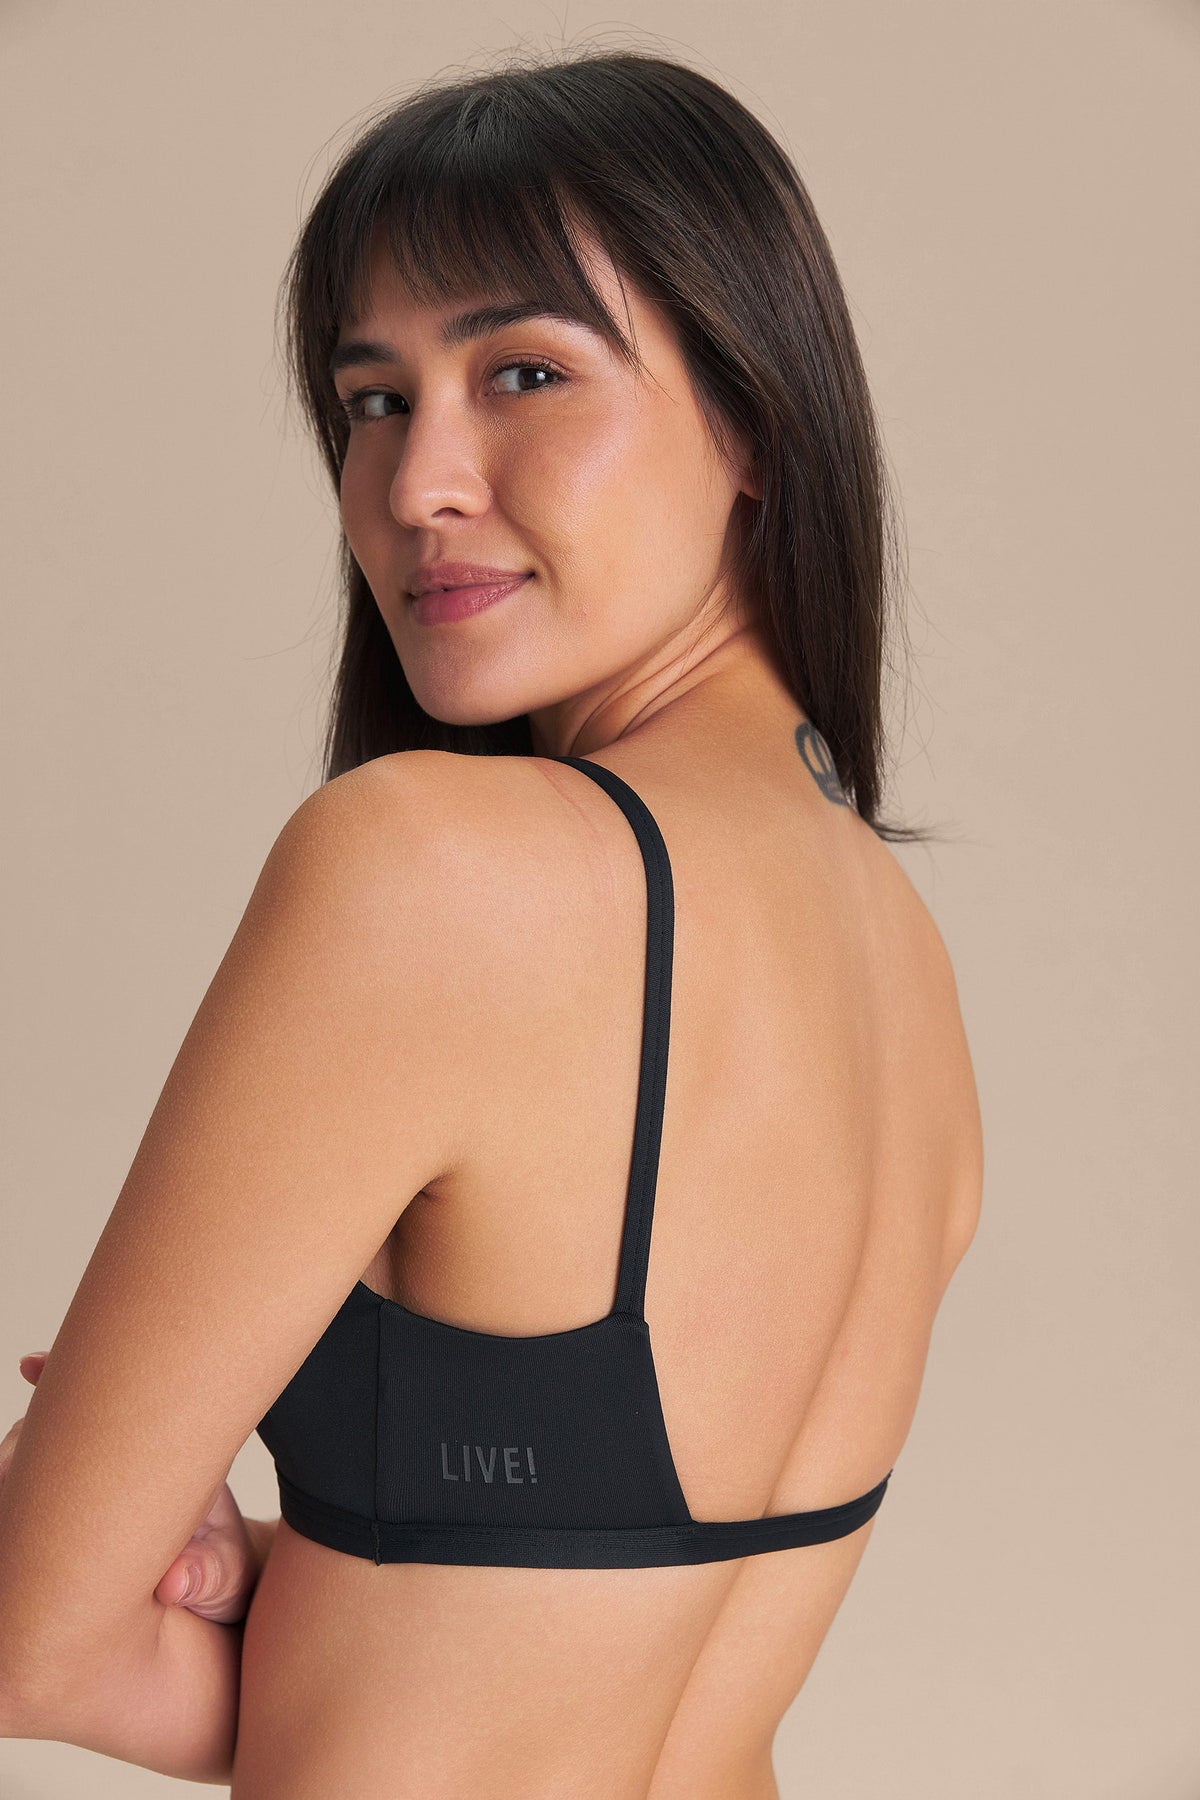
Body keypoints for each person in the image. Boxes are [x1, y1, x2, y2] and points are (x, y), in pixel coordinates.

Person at [0, 45, 982, 1798]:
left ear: (755, 419)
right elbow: (606, 1645)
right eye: (374, 399)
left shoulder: (432, 869)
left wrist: (169, 1582)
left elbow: (31, 1639)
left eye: (524, 372)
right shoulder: (897, 949)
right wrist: (302, 1599)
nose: (418, 485)